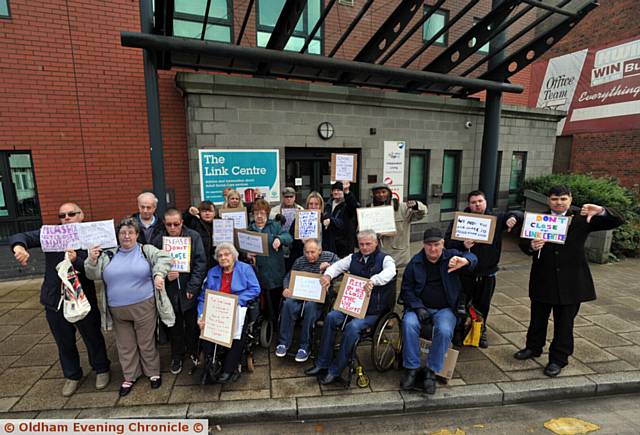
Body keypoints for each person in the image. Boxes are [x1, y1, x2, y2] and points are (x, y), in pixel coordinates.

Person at [514, 185, 624, 377]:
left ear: (570, 199)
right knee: (537, 317)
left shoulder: (583, 218)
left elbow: (618, 220)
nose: (559, 202)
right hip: (543, 278)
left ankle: (558, 359)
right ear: (549, 200)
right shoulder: (538, 219)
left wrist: (602, 210)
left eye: (563, 199)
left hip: (571, 280)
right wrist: (531, 245)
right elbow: (523, 242)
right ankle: (533, 347)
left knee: (564, 323)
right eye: (555, 199)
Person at [9, 202, 111, 397]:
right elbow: (20, 236)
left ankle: (101, 369)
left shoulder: (91, 235)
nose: (66, 218)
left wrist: (77, 261)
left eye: (71, 214)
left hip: (82, 298)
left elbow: (95, 269)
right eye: (62, 215)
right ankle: (72, 375)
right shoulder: (51, 234)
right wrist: (19, 247)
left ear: (81, 215)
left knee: (92, 336)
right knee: (64, 340)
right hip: (55, 299)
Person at [85, 218, 172, 396]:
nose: (126, 236)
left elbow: (165, 258)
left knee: (146, 342)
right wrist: (92, 260)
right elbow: (92, 275)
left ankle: (153, 373)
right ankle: (130, 376)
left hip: (144, 306)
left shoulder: (145, 250)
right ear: (117, 236)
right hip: (117, 309)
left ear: (137, 235)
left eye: (131, 232)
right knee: (125, 345)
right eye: (123, 233)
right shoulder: (108, 254)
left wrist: (158, 274)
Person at [305, 230, 396, 385]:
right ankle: (322, 363)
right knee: (331, 317)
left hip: (373, 309)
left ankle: (335, 370)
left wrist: (374, 280)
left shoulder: (385, 259)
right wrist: (328, 275)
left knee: (353, 328)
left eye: (368, 244)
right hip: (353, 305)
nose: (365, 247)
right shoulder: (354, 257)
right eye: (361, 244)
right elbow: (337, 266)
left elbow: (391, 272)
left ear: (375, 243)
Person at [400, 227, 477, 394]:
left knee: (444, 329)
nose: (433, 249)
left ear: (443, 244)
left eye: (436, 244)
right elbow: (406, 289)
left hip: (445, 308)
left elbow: (472, 257)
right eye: (429, 245)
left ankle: (431, 371)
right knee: (408, 323)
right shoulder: (416, 262)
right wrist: (418, 307)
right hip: (419, 306)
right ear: (423, 245)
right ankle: (412, 368)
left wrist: (466, 261)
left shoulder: (452, 256)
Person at [445, 190, 523, 348]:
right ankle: (459, 331)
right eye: (473, 202)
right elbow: (447, 243)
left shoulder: (497, 219)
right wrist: (462, 245)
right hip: (465, 273)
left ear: (486, 202)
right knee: (461, 304)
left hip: (487, 272)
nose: (477, 204)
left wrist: (513, 217)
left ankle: (480, 330)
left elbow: (519, 214)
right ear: (469, 204)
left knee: (483, 305)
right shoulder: (460, 220)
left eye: (480, 201)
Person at [151, 208, 207, 375]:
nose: (173, 228)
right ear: (165, 224)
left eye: (176, 224)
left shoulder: (193, 236)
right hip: (169, 291)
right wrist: (165, 276)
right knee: (174, 326)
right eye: (169, 224)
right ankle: (177, 355)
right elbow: (153, 265)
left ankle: (193, 351)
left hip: (188, 287)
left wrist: (192, 287)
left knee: (191, 323)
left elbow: (200, 263)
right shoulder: (158, 240)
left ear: (182, 222)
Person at [197, 243, 261, 384]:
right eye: (220, 255)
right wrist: (200, 316)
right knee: (207, 330)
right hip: (217, 308)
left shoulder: (245, 269)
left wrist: (237, 300)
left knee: (236, 334)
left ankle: (229, 369)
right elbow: (203, 297)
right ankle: (211, 365)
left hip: (238, 306)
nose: (223, 258)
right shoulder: (212, 272)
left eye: (227, 254)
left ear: (234, 256)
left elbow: (255, 289)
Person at [275, 239, 340, 362]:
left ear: (319, 250)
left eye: (313, 252)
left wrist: (330, 268)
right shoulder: (300, 261)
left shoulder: (330, 257)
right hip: (299, 295)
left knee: (310, 307)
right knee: (288, 303)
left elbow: (343, 268)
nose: (310, 255)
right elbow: (289, 276)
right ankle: (283, 343)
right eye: (307, 252)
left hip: (318, 298)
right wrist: (286, 288)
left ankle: (305, 346)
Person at [247, 199, 293, 321]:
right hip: (258, 273)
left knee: (275, 302)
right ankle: (263, 326)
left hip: (274, 273)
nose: (259, 216)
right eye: (256, 213)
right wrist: (247, 254)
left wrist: (279, 239)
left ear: (267, 213)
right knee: (262, 304)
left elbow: (288, 237)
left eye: (262, 213)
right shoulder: (250, 229)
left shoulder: (274, 226)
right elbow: (242, 249)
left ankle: (276, 326)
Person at [370, 184, 427, 269]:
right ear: (373, 195)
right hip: (377, 255)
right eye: (377, 193)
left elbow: (422, 214)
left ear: (389, 193)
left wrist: (416, 205)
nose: (381, 195)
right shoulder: (369, 210)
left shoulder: (402, 207)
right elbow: (361, 231)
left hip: (399, 257)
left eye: (383, 192)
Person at [287, 191, 326, 270]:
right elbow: (291, 236)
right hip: (302, 257)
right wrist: (300, 240)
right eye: (311, 204)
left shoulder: (325, 219)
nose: (313, 206)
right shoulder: (299, 218)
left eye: (316, 204)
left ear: (320, 206)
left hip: (321, 257)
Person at [323, 181, 360, 258]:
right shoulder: (328, 204)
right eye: (334, 190)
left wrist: (347, 192)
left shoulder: (347, 205)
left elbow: (354, 206)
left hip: (344, 244)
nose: (336, 192)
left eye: (339, 190)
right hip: (329, 242)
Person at [184, 200, 217, 269]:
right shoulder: (194, 222)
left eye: (210, 211)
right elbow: (183, 221)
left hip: (216, 262)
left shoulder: (221, 223)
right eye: (204, 211)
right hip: (199, 262)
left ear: (215, 213)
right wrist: (189, 213)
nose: (207, 213)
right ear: (199, 212)